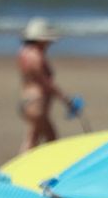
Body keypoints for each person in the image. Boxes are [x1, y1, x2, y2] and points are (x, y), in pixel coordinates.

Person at [17, 18, 70, 153]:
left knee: (37, 137)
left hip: (26, 100)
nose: (50, 43)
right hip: (37, 102)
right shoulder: (36, 57)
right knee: (39, 140)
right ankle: (23, 169)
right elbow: (45, 83)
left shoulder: (23, 53)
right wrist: (65, 98)